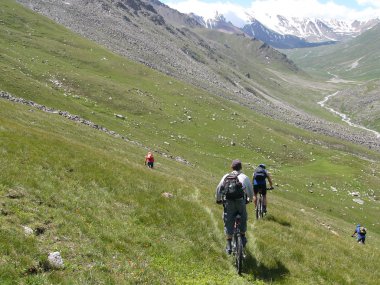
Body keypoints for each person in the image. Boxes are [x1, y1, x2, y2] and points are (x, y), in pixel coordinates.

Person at [216, 159, 253, 254]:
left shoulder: (226, 176)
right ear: (241, 167)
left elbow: (219, 189)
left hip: (228, 202)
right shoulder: (244, 177)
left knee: (228, 219)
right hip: (240, 202)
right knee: (243, 217)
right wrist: (249, 199)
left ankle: (229, 244)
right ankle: (243, 236)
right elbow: (250, 191)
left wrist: (219, 200)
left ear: (231, 167)